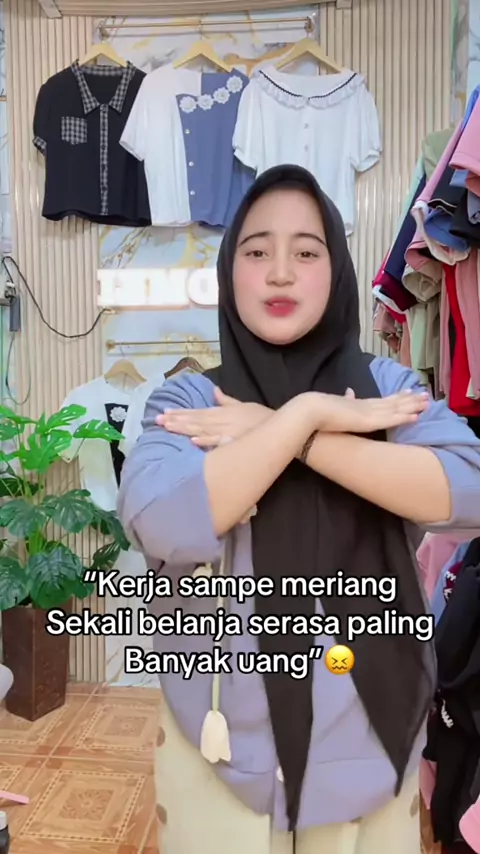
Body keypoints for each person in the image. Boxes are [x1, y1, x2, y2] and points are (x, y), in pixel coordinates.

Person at [117, 165, 480, 854]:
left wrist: (290, 435)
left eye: (307, 251)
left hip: (369, 743)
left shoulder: (386, 388)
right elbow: (161, 521)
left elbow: (467, 490)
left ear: (335, 270)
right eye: (256, 250)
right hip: (218, 748)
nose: (280, 272)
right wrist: (308, 415)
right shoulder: (191, 400)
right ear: (229, 272)